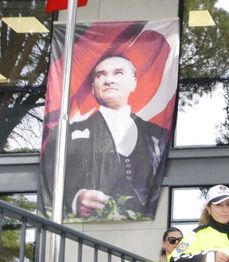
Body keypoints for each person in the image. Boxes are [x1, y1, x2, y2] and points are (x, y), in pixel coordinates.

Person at [47, 54, 169, 219]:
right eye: (101, 75)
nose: (109, 80)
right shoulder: (66, 134)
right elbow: (50, 176)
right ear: (93, 87)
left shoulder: (158, 135)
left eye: (118, 73)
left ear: (133, 83)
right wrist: (75, 198)